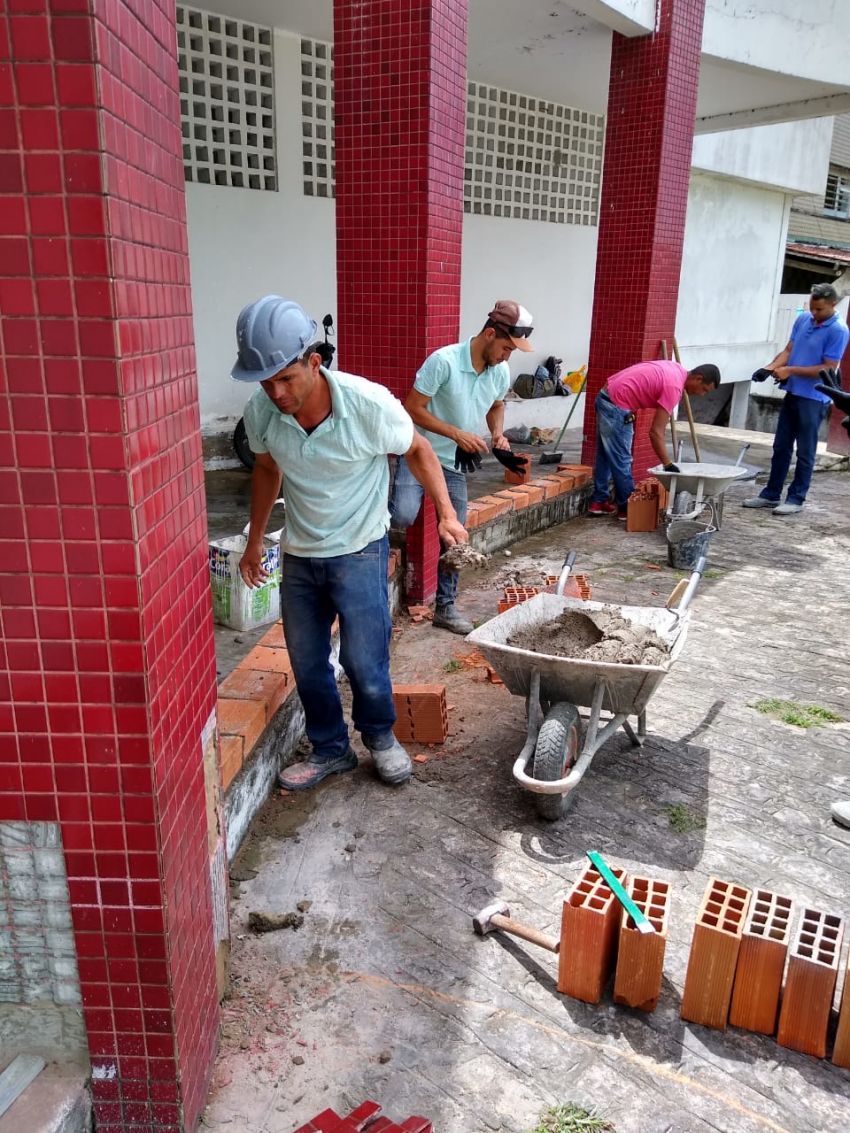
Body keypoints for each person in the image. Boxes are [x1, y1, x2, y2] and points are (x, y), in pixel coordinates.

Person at [233, 295, 468, 792]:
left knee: (364, 658)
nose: (276, 392)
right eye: (265, 382)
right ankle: (330, 749)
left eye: (285, 378)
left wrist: (446, 513)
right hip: (301, 553)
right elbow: (267, 469)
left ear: (314, 362)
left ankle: (380, 737)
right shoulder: (262, 411)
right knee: (307, 660)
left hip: (360, 549)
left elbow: (418, 449)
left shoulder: (368, 405)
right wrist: (255, 542)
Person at [390, 300, 534, 634]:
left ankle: (446, 607)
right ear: (489, 334)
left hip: (454, 462)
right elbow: (413, 408)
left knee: (455, 536)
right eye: (506, 348)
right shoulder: (444, 362)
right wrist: (456, 434)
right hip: (418, 453)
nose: (507, 357)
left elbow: (496, 405)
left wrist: (497, 434)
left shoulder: (499, 371)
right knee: (403, 515)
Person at [742, 283, 849, 516]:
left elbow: (827, 367)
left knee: (805, 451)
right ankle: (771, 494)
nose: (814, 313)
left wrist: (790, 370)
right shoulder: (804, 320)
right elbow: (789, 350)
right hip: (793, 393)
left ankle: (796, 498)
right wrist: (769, 367)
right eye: (812, 308)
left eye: (819, 309)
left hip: (814, 398)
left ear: (833, 304)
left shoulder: (838, 330)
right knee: (781, 446)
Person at [588, 359, 721, 518]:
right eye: (704, 389)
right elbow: (656, 432)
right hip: (616, 405)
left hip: (606, 396)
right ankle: (628, 508)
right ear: (698, 378)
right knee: (622, 459)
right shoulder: (674, 388)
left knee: (606, 454)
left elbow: (641, 379)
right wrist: (668, 464)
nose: (701, 394)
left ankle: (599, 501)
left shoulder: (676, 369)